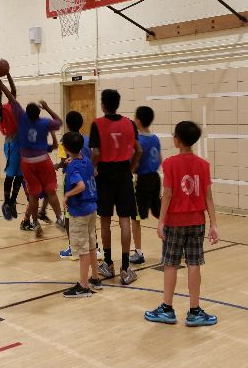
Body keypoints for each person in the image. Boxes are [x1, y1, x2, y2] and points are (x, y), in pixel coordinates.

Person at [144, 121, 219, 326]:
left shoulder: (170, 163)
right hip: (197, 221)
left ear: (177, 140)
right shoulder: (203, 165)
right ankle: (194, 311)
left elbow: (167, 195)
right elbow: (208, 197)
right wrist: (213, 224)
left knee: (171, 264)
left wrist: (161, 221)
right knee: (194, 264)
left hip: (174, 222)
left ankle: (167, 309)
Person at [0, 64, 64, 237]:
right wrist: (47, 108)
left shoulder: (21, 117)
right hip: (42, 159)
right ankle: (60, 218)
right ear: (38, 113)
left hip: (27, 163)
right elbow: (59, 122)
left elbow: (8, 94)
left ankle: (35, 222)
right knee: (51, 191)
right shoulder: (44, 122)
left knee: (33, 193)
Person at [90, 89, 142, 285]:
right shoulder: (129, 123)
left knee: (105, 219)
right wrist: (131, 168)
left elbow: (96, 153)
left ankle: (109, 264)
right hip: (123, 173)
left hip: (104, 174)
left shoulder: (97, 124)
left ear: (103, 104)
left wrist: (91, 169)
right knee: (125, 219)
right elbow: (139, 150)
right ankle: (126, 268)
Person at [52, 111, 98, 260]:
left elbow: (64, 161)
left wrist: (57, 166)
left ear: (67, 124)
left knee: (69, 213)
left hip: (73, 180)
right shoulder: (87, 139)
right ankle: (94, 247)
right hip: (88, 179)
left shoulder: (64, 140)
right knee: (89, 218)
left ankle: (73, 247)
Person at [61, 132, 102, 298]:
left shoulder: (73, 167)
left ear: (65, 148)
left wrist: (67, 195)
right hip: (92, 208)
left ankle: (84, 286)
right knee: (92, 245)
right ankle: (95, 278)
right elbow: (95, 174)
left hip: (80, 211)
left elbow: (81, 186)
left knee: (83, 250)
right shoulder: (86, 160)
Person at [0, 68, 23, 221]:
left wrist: (7, 73)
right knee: (11, 174)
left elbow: (13, 90)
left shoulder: (8, 106)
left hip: (20, 142)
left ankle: (13, 201)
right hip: (12, 144)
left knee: (20, 175)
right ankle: (6, 202)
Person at [130, 106, 162, 264]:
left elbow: (135, 161)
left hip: (143, 179)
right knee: (159, 213)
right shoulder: (155, 138)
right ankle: (174, 244)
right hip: (155, 178)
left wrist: (131, 169)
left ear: (138, 120)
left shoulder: (138, 140)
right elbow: (160, 159)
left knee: (135, 217)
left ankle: (138, 253)